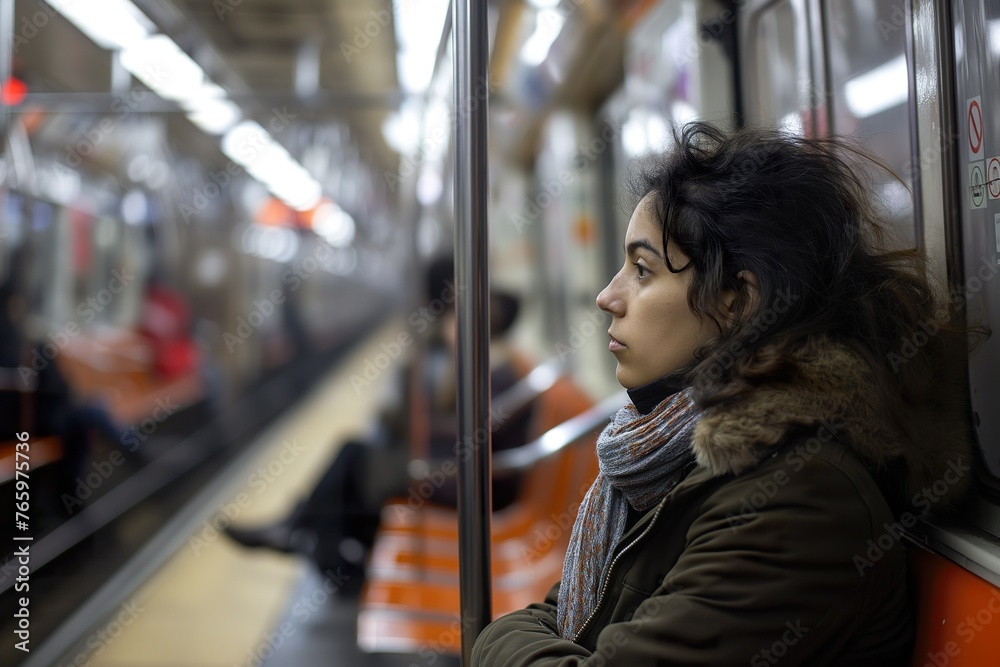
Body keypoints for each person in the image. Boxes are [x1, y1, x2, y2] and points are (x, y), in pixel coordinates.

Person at [471, 123, 984, 665]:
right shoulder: (670, 457)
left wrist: (487, 641)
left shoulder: (799, 499)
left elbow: (553, 634)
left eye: (642, 271)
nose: (606, 297)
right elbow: (568, 614)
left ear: (737, 300)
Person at [224, 258, 535, 592]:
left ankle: (313, 542)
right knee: (354, 458)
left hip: (469, 480)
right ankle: (316, 543)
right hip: (458, 466)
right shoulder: (489, 358)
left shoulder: (492, 366)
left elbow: (471, 428)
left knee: (353, 459)